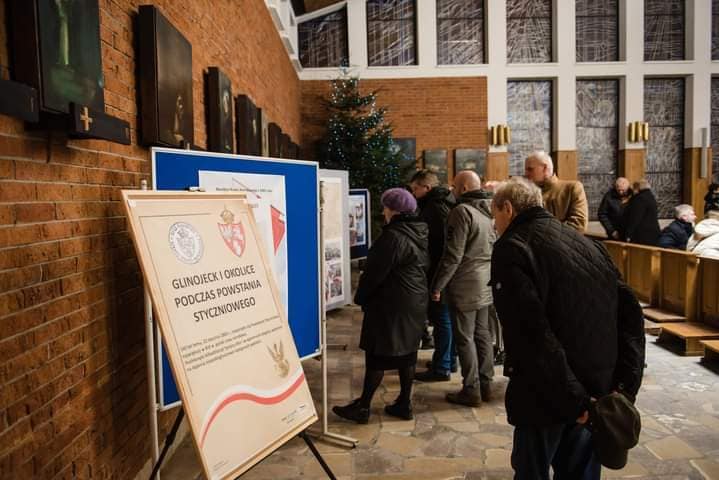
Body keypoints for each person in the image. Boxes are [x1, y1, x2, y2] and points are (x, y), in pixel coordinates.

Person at [489, 177, 645, 479]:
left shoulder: (513, 247)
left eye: (495, 215)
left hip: (545, 394)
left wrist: (575, 400)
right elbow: (630, 316)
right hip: (596, 389)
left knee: (532, 471)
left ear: (507, 208)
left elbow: (530, 334)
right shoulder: (588, 244)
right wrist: (625, 385)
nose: (495, 225)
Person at [332, 188, 428, 423]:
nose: (383, 211)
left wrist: (360, 298)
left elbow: (374, 274)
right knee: (408, 353)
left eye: (385, 207)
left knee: (377, 355)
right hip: (414, 301)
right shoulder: (419, 230)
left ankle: (363, 407)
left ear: (393, 210)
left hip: (391, 304)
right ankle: (404, 403)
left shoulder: (392, 237)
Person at [431, 170, 495, 407]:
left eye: (455, 185)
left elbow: (453, 255)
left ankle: (471, 389)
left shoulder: (461, 211)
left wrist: (437, 285)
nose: (452, 189)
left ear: (464, 188)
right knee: (483, 335)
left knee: (465, 338)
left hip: (465, 283)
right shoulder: (490, 209)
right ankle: (486, 385)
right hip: (485, 280)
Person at [410, 170, 458, 382]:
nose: (413, 193)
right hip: (444, 270)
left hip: (439, 271)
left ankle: (442, 366)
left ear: (426, 188)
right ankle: (449, 360)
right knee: (445, 318)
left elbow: (437, 245)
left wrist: (436, 279)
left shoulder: (434, 208)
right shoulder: (444, 201)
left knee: (442, 318)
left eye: (415, 189)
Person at [524, 151, 589, 232]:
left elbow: (579, 224)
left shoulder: (572, 188)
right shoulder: (527, 193)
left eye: (530, 169)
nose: (526, 174)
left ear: (545, 168)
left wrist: (543, 233)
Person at [622, 179, 661, 246]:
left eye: (633, 188)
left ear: (637, 188)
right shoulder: (650, 196)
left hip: (642, 236)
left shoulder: (640, 199)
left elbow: (635, 218)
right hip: (652, 234)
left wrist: (628, 234)